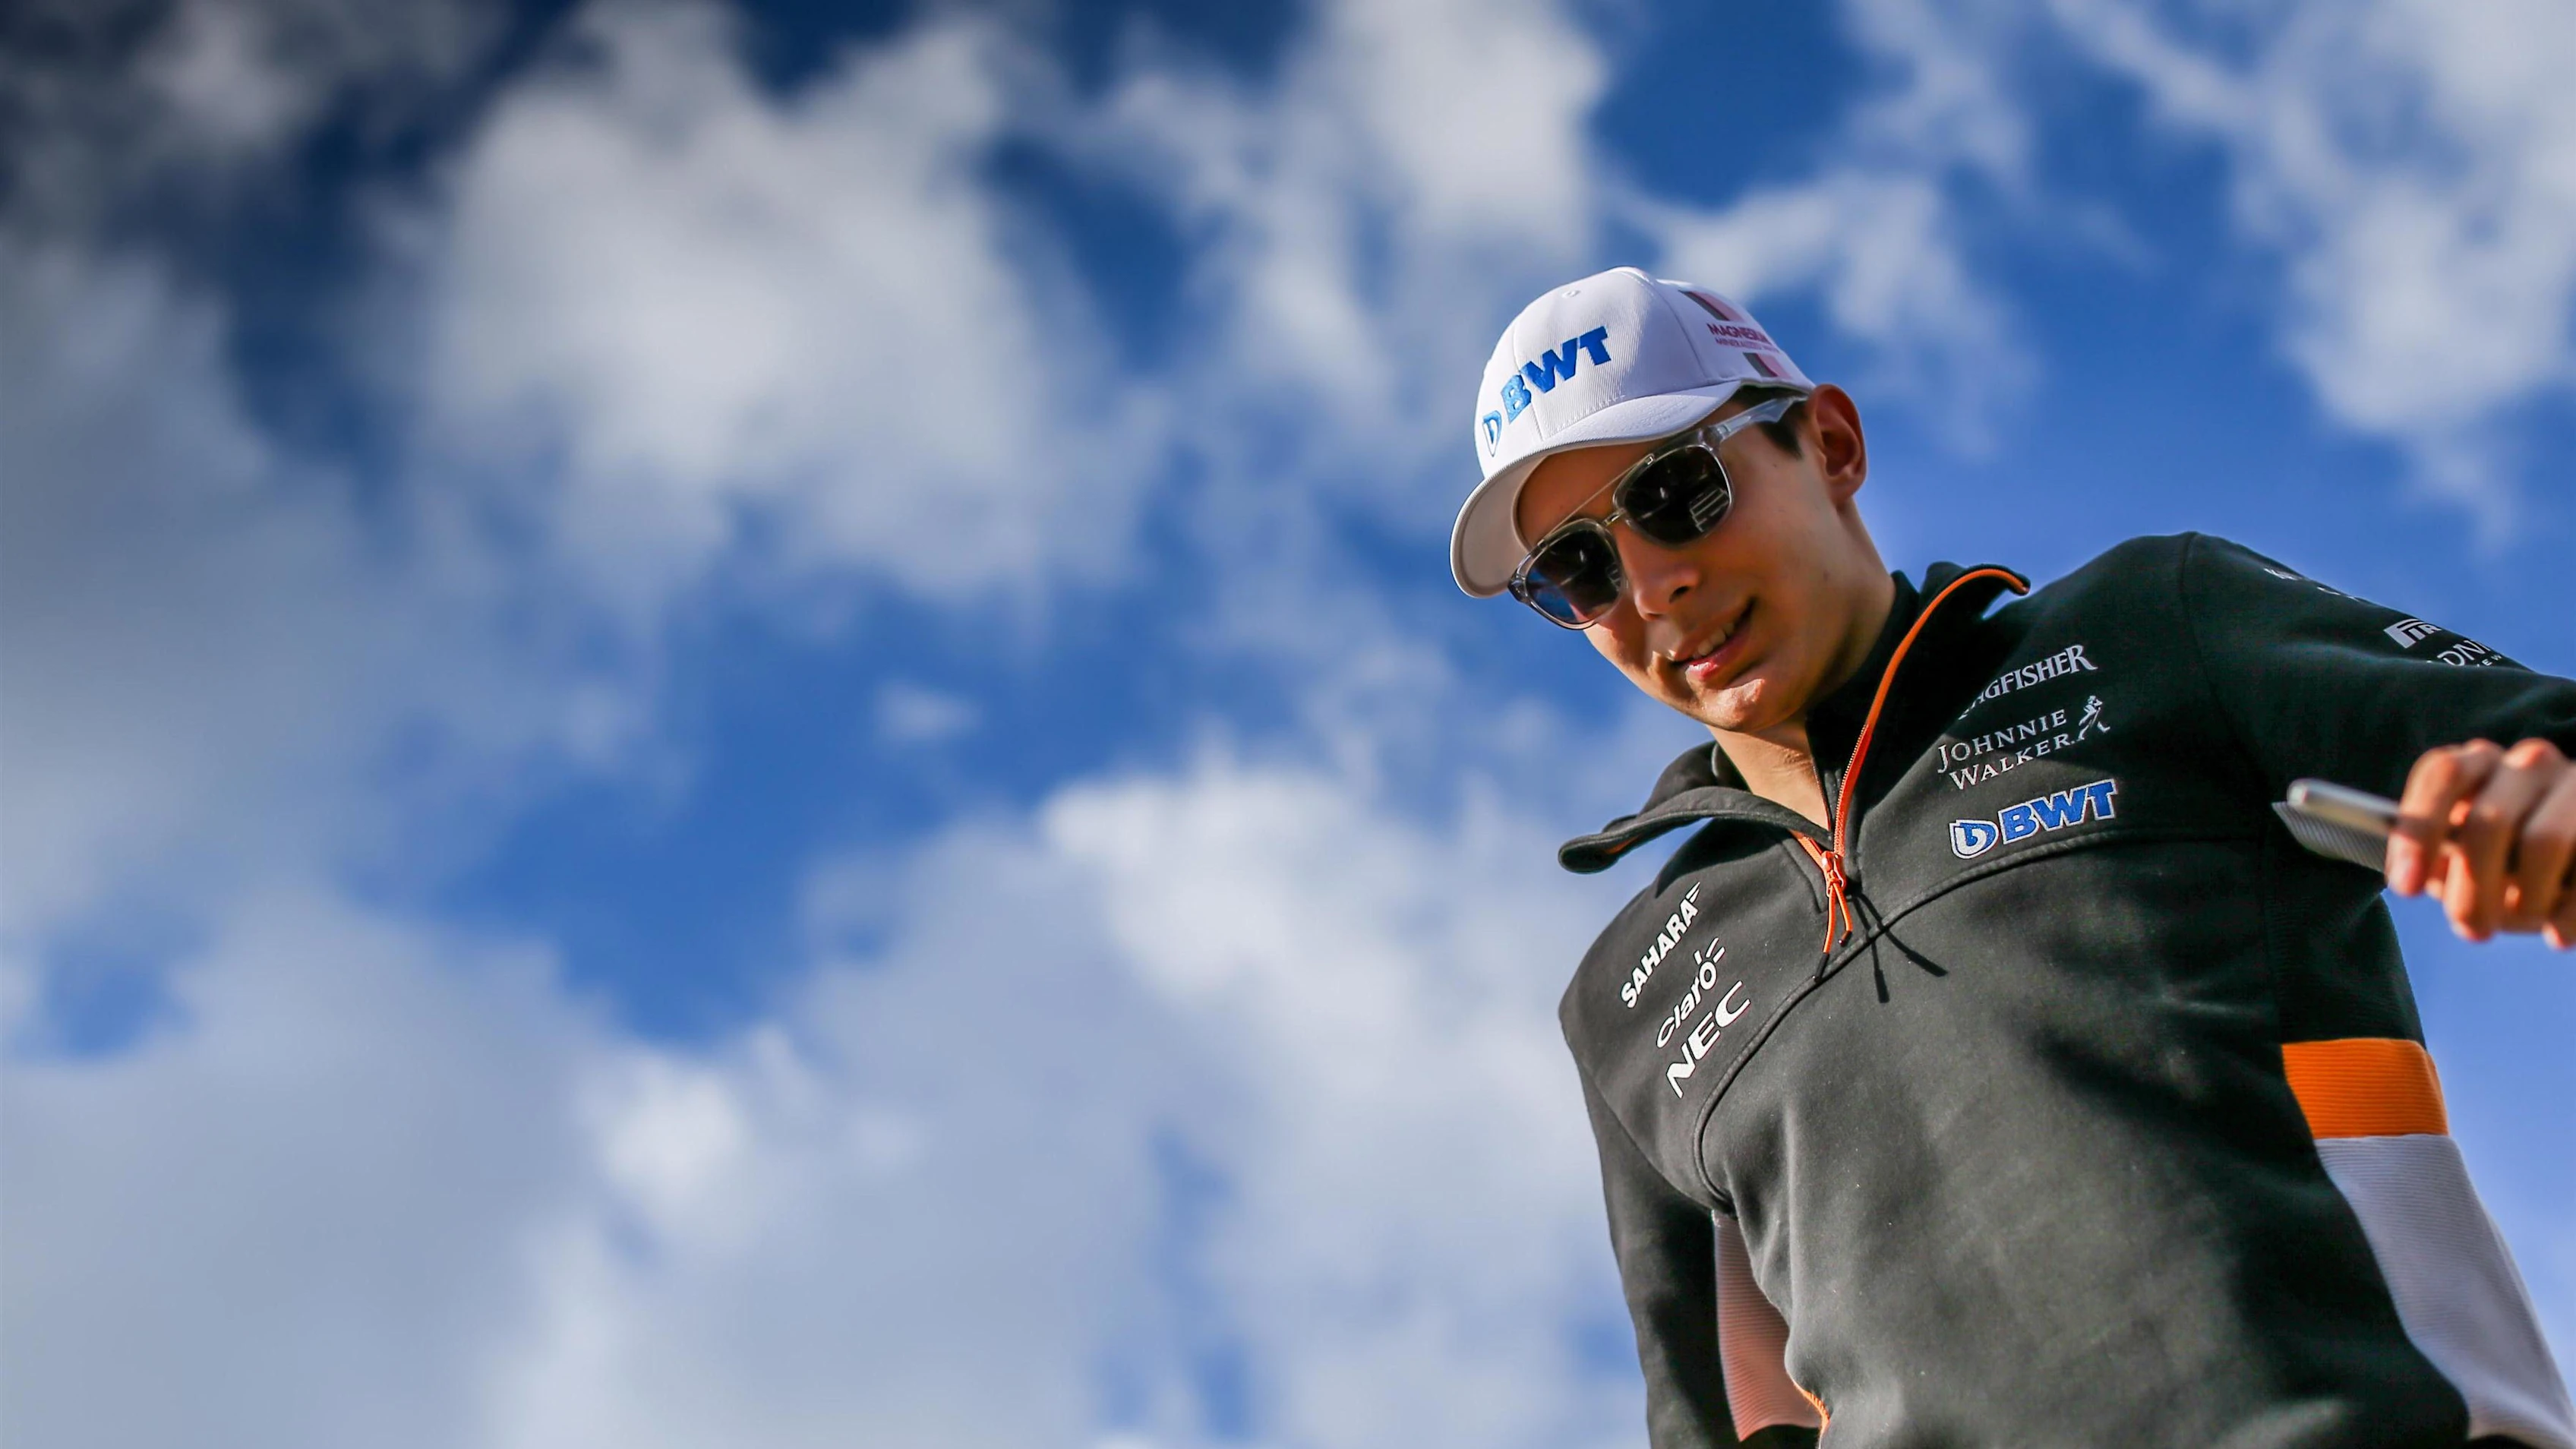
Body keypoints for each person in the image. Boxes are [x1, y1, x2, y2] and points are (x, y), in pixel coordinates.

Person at [1450, 266, 2576, 1448]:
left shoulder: (2154, 629)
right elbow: (1724, 1423)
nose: (1651, 584)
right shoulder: (1629, 1001)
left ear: (1829, 444)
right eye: (1576, 572)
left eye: (1678, 490)